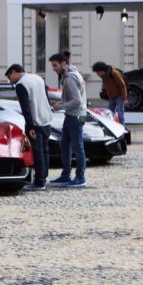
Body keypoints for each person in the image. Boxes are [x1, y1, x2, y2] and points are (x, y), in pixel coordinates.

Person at [6, 64, 54, 191]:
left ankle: (39, 182)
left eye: (10, 77)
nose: (11, 81)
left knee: (37, 152)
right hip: (46, 119)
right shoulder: (38, 78)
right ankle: (44, 176)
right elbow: (47, 98)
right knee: (45, 150)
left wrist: (30, 126)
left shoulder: (21, 85)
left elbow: (25, 107)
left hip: (35, 122)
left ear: (14, 72)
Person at [50, 52, 87, 187]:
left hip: (75, 116)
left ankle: (80, 178)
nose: (53, 68)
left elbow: (76, 101)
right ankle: (66, 176)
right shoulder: (72, 75)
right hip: (73, 115)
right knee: (64, 145)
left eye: (55, 65)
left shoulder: (70, 78)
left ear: (64, 64)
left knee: (77, 147)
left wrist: (60, 107)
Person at [92, 61, 128, 125]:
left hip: (119, 95)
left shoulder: (114, 73)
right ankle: (112, 127)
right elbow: (105, 85)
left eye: (98, 72)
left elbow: (122, 85)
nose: (97, 74)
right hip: (111, 97)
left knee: (120, 114)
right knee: (110, 114)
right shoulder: (103, 76)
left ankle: (122, 128)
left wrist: (124, 98)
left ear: (102, 70)